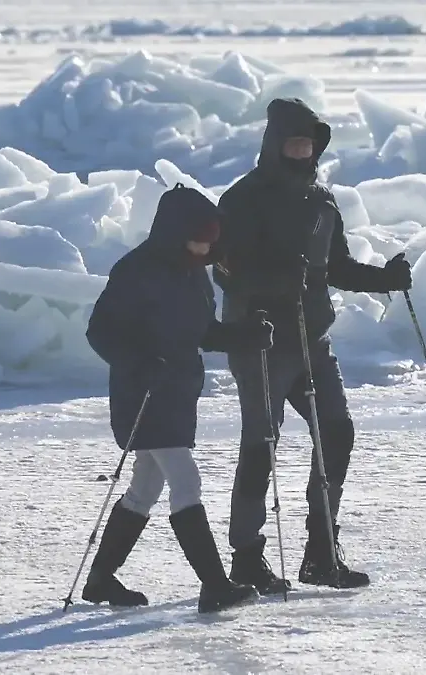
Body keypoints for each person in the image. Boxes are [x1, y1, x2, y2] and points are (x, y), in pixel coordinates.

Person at [213, 98, 413, 593]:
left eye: (309, 143)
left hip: (312, 343)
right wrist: (272, 283)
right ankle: (246, 558)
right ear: (274, 144)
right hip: (260, 342)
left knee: (338, 432)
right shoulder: (243, 199)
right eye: (293, 142)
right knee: (261, 445)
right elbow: (224, 270)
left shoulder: (321, 200)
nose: (301, 151)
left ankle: (321, 552)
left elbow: (336, 268)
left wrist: (383, 278)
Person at [82, 183, 275, 614]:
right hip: (144, 395)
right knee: (186, 483)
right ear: (174, 232)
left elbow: (203, 332)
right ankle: (215, 585)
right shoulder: (134, 271)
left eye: (211, 241)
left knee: (144, 489)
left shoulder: (194, 273)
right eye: (199, 238)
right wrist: (139, 362)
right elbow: (100, 332)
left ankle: (99, 579)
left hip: (178, 394)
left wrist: (246, 335)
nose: (207, 248)